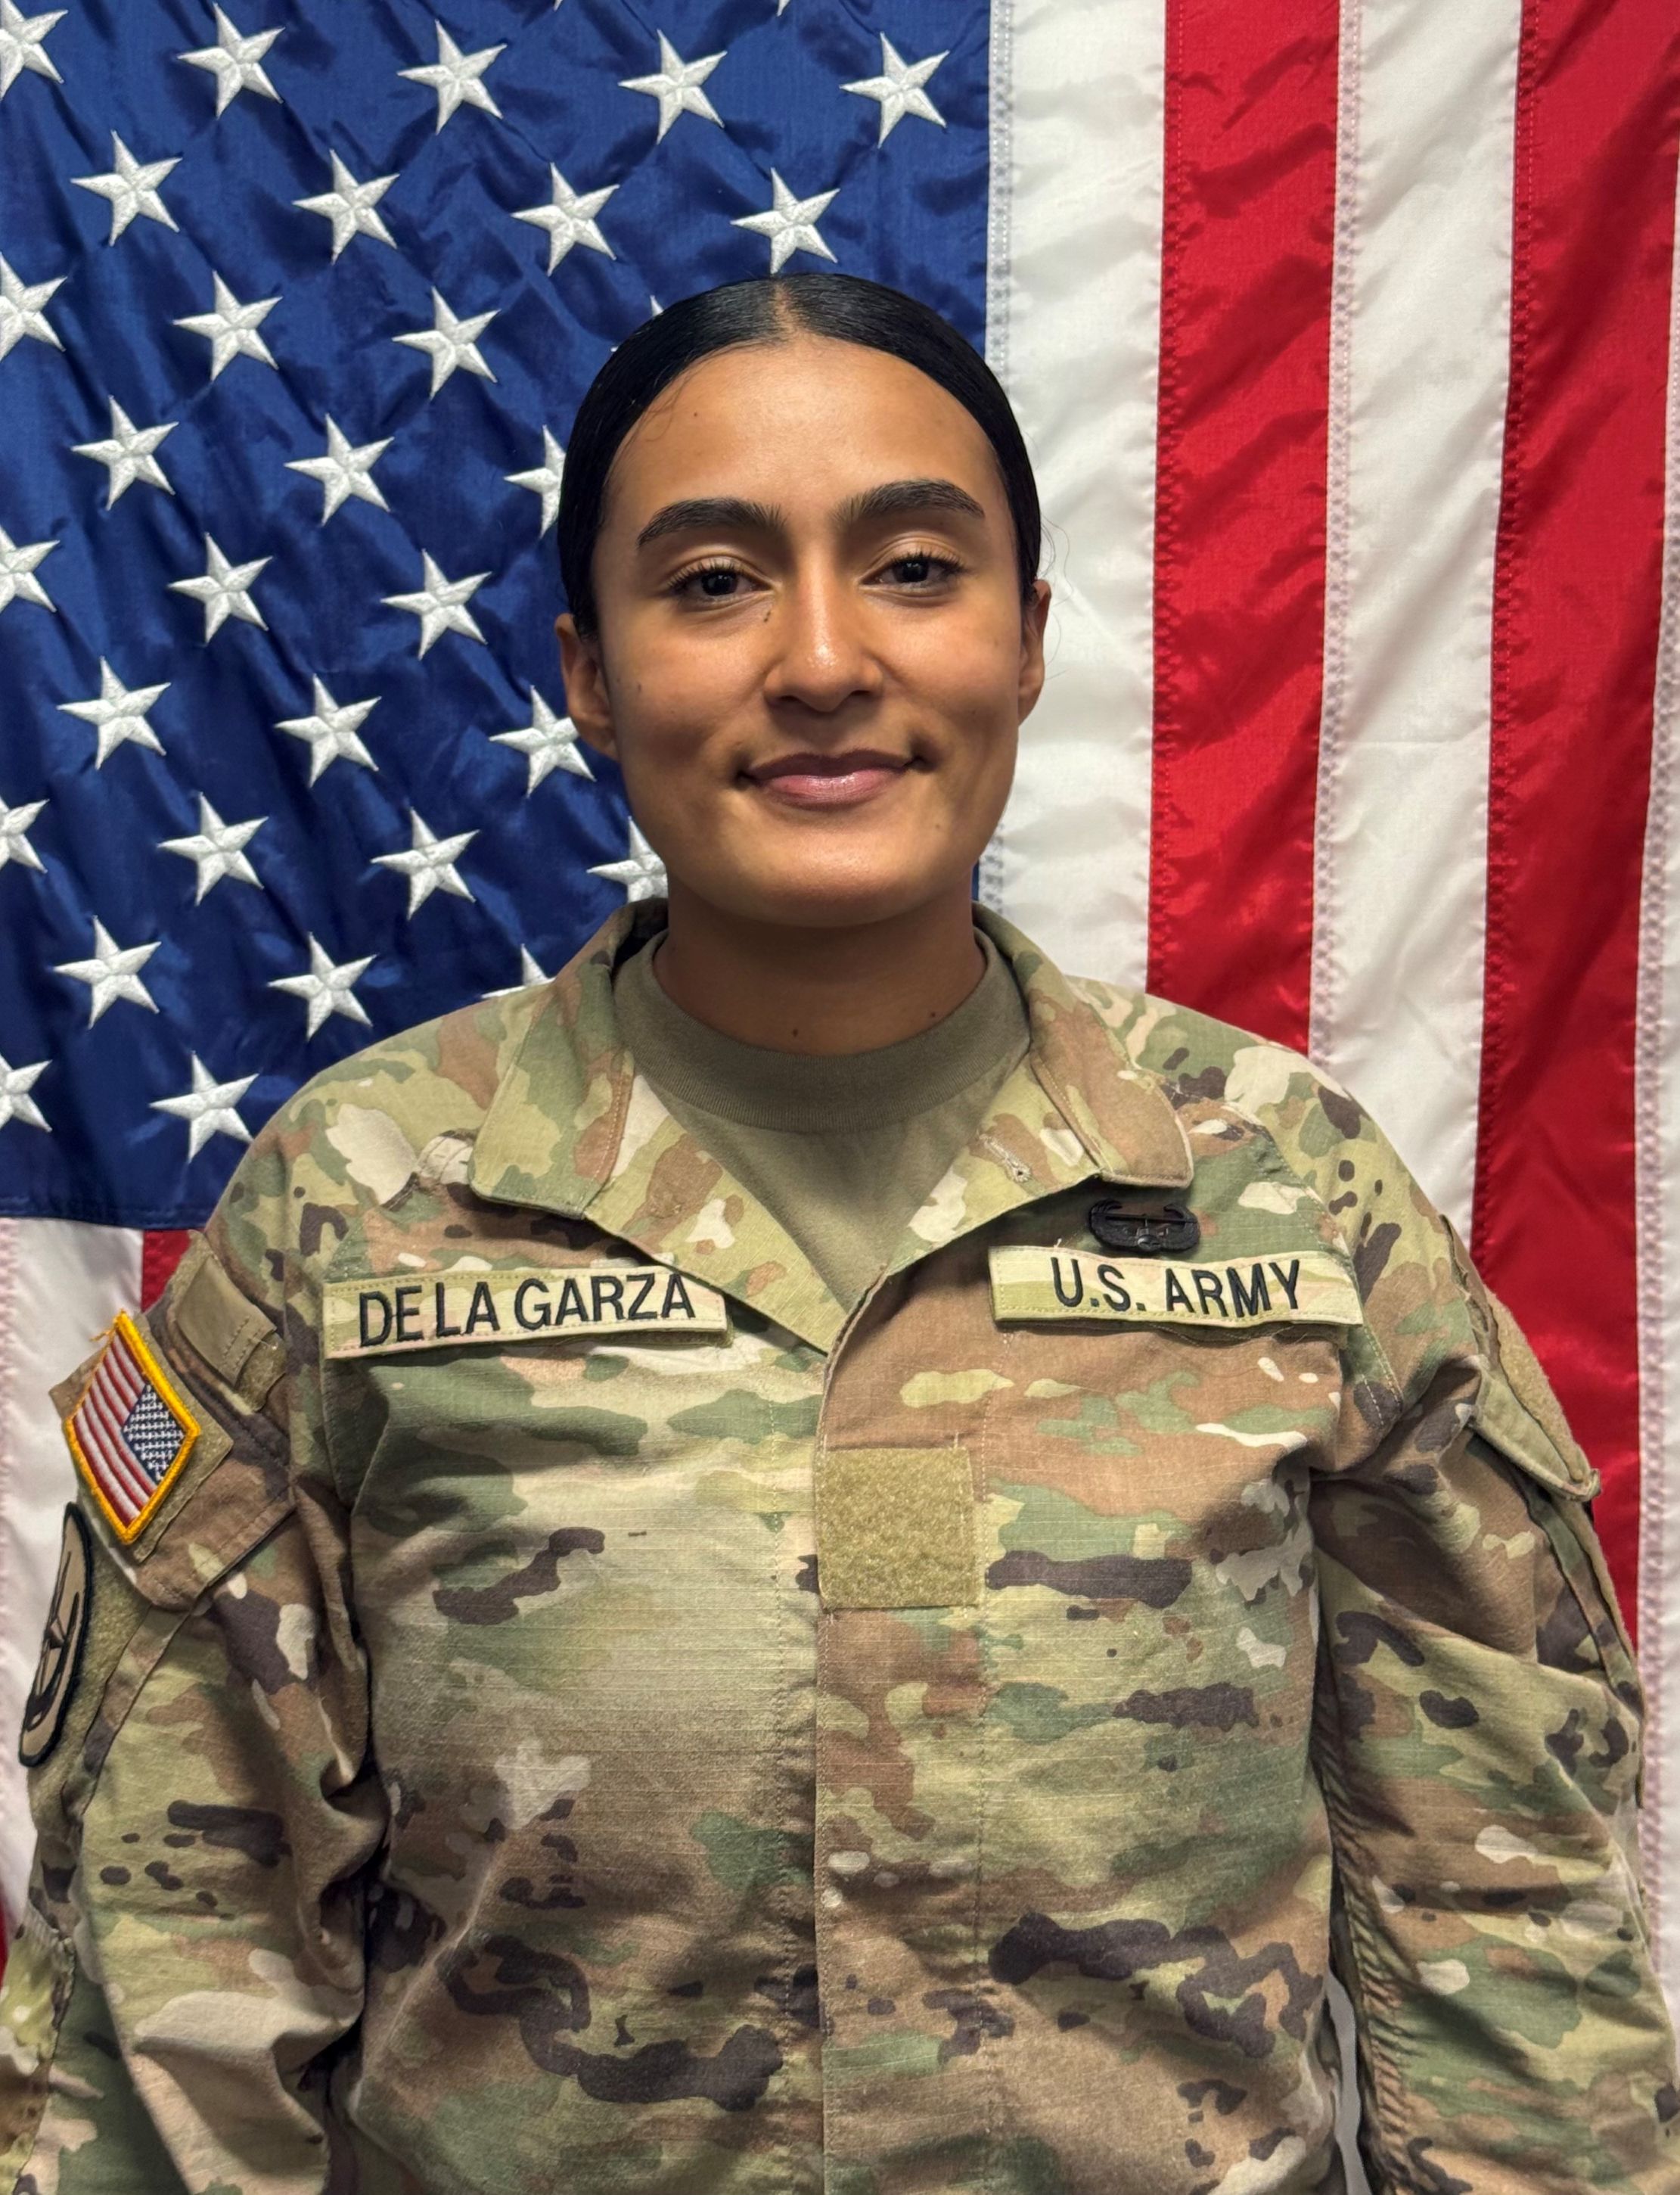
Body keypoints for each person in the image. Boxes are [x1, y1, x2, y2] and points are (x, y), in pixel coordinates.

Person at [2, 269, 1675, 2195]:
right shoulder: (352, 1209)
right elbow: (167, 1989)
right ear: (589, 670)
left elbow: (1506, 1931)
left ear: (1025, 640)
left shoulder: (1292, 1197)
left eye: (913, 568)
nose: (818, 658)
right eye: (713, 580)